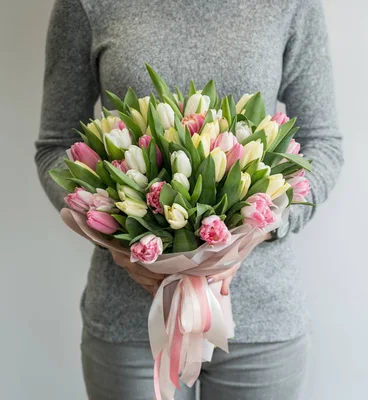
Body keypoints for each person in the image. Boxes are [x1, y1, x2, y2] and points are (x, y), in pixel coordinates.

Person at [34, 0, 343, 398]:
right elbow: (56, 147)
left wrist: (260, 227)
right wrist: (119, 240)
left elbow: (322, 143)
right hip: (130, 322)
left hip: (260, 321)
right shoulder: (87, 5)